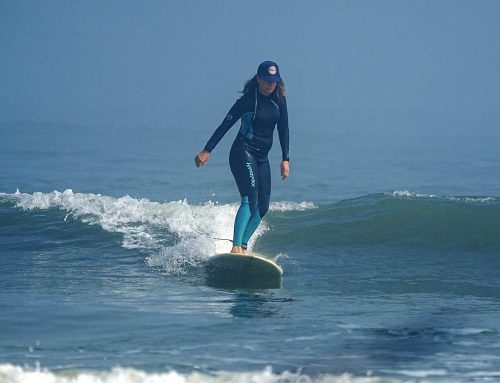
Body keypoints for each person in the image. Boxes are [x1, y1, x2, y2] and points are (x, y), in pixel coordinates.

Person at [195, 60, 290, 255]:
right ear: (259, 79)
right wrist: (207, 149)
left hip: (262, 158)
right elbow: (225, 125)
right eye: (267, 81)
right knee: (250, 199)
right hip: (242, 152)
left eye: (274, 81)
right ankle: (235, 248)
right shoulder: (248, 100)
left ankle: (243, 246)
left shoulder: (279, 99)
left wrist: (285, 158)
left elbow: (284, 128)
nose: (271, 85)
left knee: (263, 207)